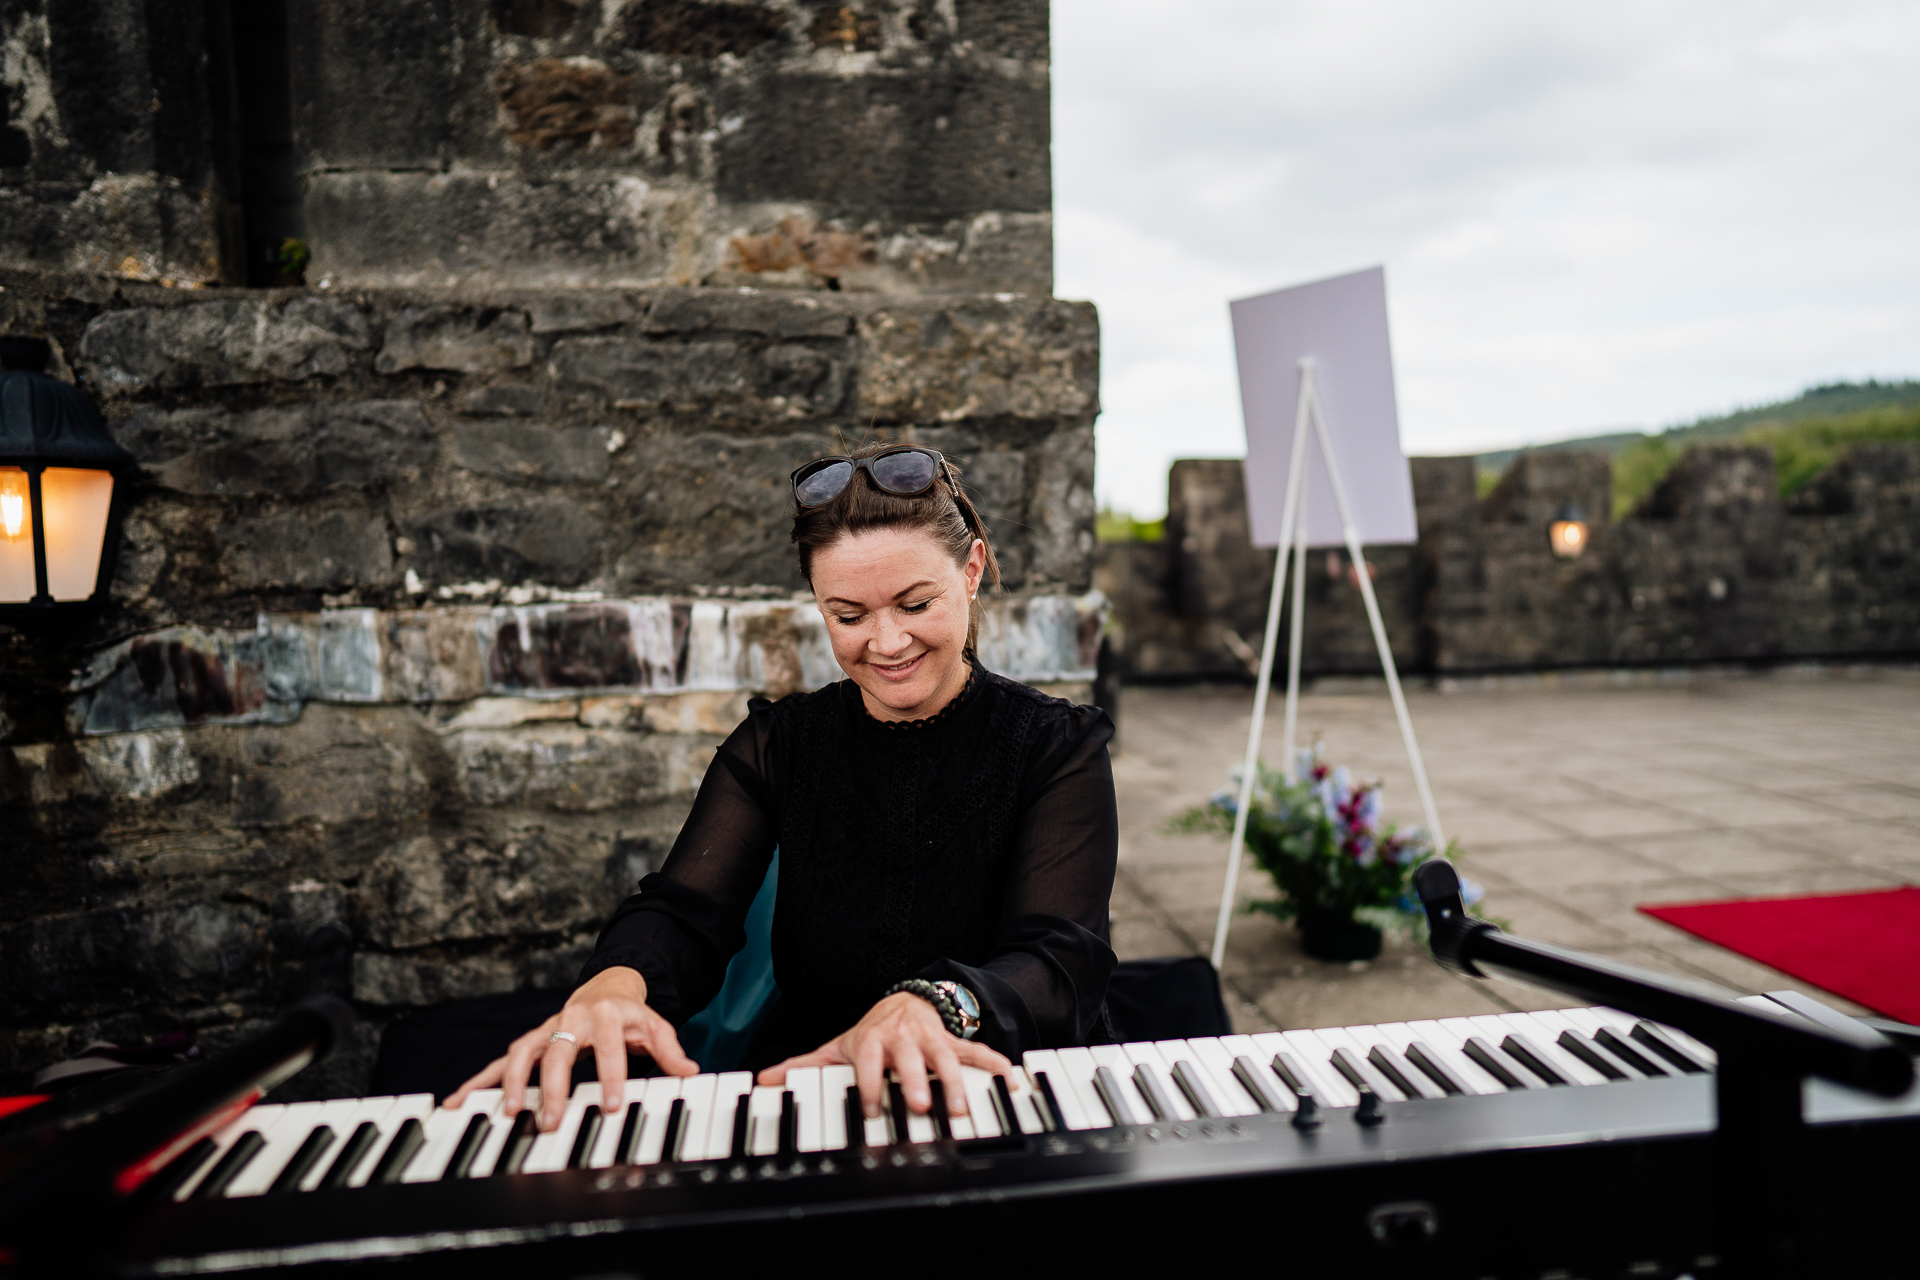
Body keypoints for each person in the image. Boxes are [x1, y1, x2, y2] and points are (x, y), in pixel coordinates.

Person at [447, 443, 1118, 1132]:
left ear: (971, 570)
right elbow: (683, 913)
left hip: (1013, 1091)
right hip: (819, 1092)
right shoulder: (778, 744)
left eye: (915, 604)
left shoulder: (1055, 745)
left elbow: (1058, 958)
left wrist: (932, 1003)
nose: (886, 643)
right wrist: (616, 985)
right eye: (848, 615)